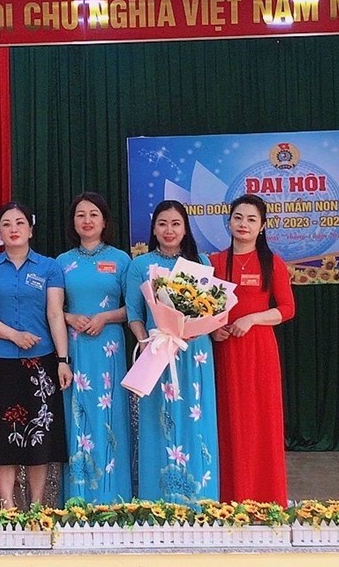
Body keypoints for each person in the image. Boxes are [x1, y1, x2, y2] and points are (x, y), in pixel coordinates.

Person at [0, 201, 73, 506]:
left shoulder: (49, 267)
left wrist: (63, 360)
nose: (13, 229)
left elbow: (55, 314)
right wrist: (14, 335)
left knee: (40, 435)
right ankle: (8, 505)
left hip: (40, 362)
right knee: (2, 435)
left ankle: (37, 504)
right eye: (6, 224)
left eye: (19, 223)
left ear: (30, 229)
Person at [125, 199, 219, 503]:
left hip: (195, 352)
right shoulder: (140, 265)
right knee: (158, 421)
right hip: (157, 352)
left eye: (176, 224)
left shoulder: (201, 263)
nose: (169, 230)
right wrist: (145, 342)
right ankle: (158, 499)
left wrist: (199, 328)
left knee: (196, 418)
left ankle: (201, 499)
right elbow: (134, 314)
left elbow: (211, 309)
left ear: (185, 229)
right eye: (162, 224)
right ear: (153, 228)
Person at [209, 194, 295, 504]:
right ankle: (229, 497)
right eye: (238, 217)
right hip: (224, 351)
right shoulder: (214, 262)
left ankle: (266, 497)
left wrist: (253, 318)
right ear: (229, 221)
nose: (243, 224)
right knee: (228, 420)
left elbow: (287, 309)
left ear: (262, 227)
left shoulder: (272, 263)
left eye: (251, 219)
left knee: (260, 421)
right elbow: (203, 309)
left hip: (259, 351)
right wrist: (212, 328)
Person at [55, 192, 133, 503]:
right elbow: (50, 310)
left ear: (104, 221)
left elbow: (135, 309)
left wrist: (105, 317)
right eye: (81, 215)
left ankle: (114, 497)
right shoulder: (61, 262)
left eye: (93, 215)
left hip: (109, 347)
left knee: (110, 416)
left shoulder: (121, 260)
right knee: (78, 416)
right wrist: (69, 317)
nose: (87, 221)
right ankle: (78, 498)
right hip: (74, 349)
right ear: (73, 222)